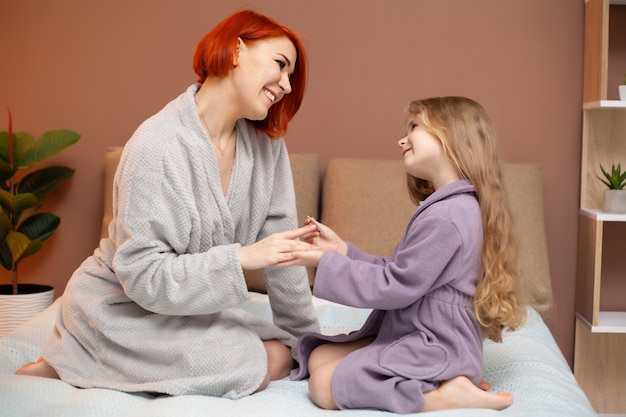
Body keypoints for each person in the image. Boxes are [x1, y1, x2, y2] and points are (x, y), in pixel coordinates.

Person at [15, 9, 321, 398]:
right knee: (260, 360)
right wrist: (241, 258)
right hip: (121, 308)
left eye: (291, 76)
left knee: (287, 348)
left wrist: (309, 342)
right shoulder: (157, 144)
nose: (287, 86)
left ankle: (87, 360)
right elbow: (142, 276)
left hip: (187, 308)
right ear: (238, 49)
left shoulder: (267, 150)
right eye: (281, 65)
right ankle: (82, 353)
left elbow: (285, 258)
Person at [281, 97, 528, 413]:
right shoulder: (450, 207)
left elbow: (395, 287)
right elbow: (402, 271)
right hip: (422, 336)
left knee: (323, 386)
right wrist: (342, 251)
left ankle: (442, 395)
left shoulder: (448, 216)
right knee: (317, 357)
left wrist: (325, 263)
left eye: (414, 127)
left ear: (450, 136)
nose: (402, 138)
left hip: (436, 344)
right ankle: (447, 378)